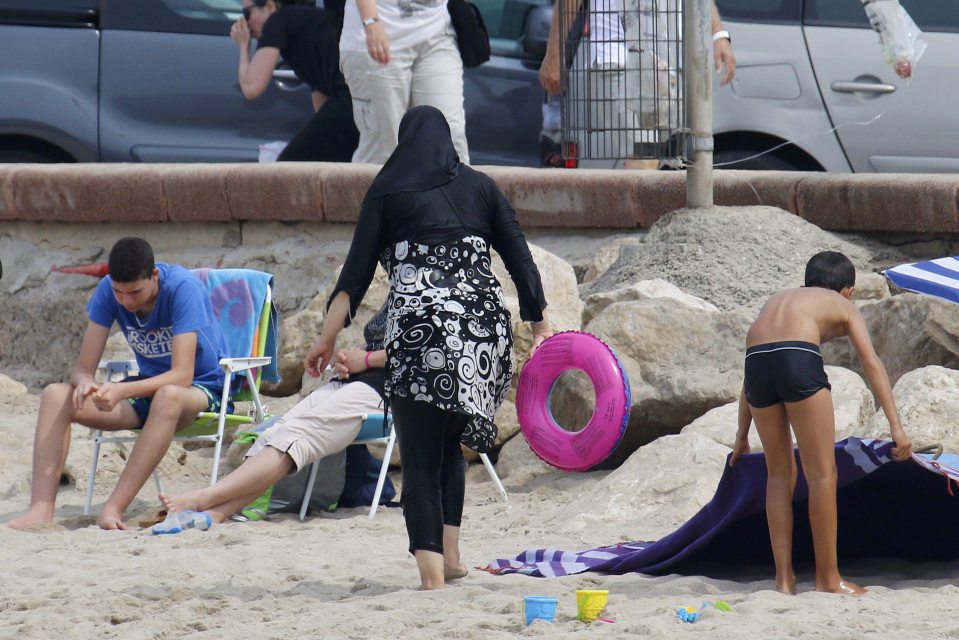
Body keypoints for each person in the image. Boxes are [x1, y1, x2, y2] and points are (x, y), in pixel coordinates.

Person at [306, 106, 551, 590]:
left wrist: (326, 337)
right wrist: (539, 321)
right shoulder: (481, 186)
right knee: (448, 449)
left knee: (419, 456)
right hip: (479, 336)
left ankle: (433, 581)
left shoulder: (386, 190)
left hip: (421, 334)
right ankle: (452, 556)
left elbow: (352, 281)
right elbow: (519, 255)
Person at [7, 238, 231, 531]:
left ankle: (113, 508)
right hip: (147, 390)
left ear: (153, 276)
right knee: (54, 395)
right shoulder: (107, 291)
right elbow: (82, 369)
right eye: (119, 292)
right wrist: (87, 382)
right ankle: (40, 509)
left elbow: (182, 376)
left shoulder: (181, 288)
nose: (126, 301)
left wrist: (122, 390)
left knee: (169, 395)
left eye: (135, 292)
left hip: (202, 390)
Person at [729, 251, 912, 596]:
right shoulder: (841, 304)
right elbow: (870, 362)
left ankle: (784, 579)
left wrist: (742, 435)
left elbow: (752, 375)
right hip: (797, 359)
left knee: (779, 474)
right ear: (847, 291)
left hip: (755, 364)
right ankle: (829, 578)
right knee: (822, 474)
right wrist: (895, 425)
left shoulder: (778, 301)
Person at [158, 304, 389, 526]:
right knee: (273, 432)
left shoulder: (423, 291)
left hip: (387, 391)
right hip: (353, 381)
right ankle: (218, 512)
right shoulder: (402, 289)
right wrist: (350, 359)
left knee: (293, 438)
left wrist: (367, 360)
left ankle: (204, 498)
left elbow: (421, 352)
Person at [338, 0, 469, 164]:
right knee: (384, 149)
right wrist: (371, 22)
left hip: (437, 33)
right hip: (379, 34)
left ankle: (457, 190)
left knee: (450, 141)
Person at [232, 0, 359, 162]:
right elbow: (321, 100)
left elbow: (251, 88)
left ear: (270, 6)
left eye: (247, 14)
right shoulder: (306, 24)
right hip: (360, 99)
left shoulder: (276, 20)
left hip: (351, 99)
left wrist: (243, 46)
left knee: (289, 168)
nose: (245, 23)